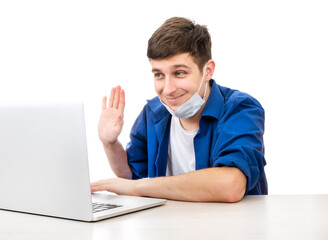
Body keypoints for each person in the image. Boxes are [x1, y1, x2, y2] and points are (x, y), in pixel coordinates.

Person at [91, 17, 267, 202]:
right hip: (169, 226)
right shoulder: (153, 113)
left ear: (207, 70)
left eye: (179, 73)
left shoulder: (240, 109)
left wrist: (139, 187)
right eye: (159, 74)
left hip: (229, 227)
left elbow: (230, 186)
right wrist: (109, 143)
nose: (168, 89)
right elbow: (131, 175)